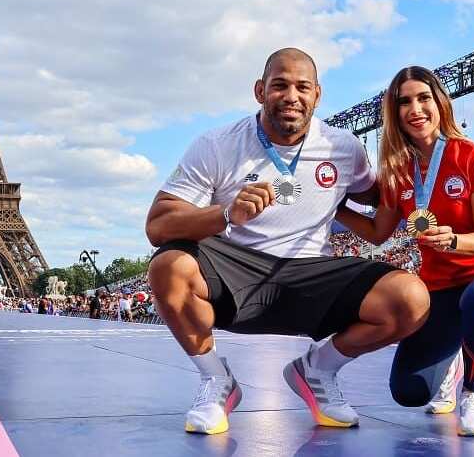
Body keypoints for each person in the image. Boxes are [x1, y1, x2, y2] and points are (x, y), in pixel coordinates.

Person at [145, 49, 429, 434]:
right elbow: (158, 226)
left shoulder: (343, 148)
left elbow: (387, 198)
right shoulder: (216, 144)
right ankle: (216, 381)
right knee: (168, 266)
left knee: (410, 298)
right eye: (279, 85)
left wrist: (429, 158)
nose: (291, 95)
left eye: (302, 87)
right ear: (260, 90)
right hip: (236, 269)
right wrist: (226, 213)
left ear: (317, 95)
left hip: (312, 274)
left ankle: (318, 370)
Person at [345, 65, 474, 435]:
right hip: (442, 289)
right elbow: (377, 233)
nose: (415, 109)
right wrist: (335, 205)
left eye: (423, 98)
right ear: (394, 113)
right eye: (405, 102)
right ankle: (452, 360)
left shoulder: (472, 156)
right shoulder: (398, 172)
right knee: (409, 392)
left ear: (440, 103)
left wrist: (454, 240)